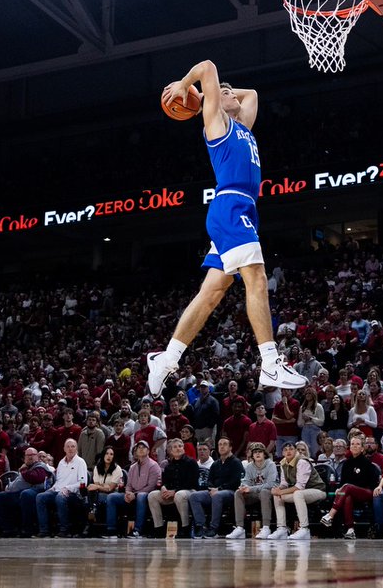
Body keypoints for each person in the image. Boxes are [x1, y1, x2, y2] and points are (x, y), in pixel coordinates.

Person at [148, 62, 307, 396]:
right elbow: (207, 67)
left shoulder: (243, 126)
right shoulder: (216, 124)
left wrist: (225, 93)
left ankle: (167, 357)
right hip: (230, 207)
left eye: (231, 92)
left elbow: (253, 94)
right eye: (224, 91)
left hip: (241, 208)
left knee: (211, 294)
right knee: (257, 279)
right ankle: (270, 363)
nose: (232, 94)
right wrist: (187, 85)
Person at [319, 436, 379, 539]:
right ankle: (350, 529)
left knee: (347, 488)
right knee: (346, 496)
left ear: (362, 448)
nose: (355, 446)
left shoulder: (367, 463)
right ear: (349, 447)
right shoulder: (346, 463)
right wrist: (339, 489)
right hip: (348, 492)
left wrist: (346, 487)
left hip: (367, 492)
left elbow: (369, 483)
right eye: (352, 444)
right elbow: (343, 482)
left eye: (358, 444)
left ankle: (330, 515)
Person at [269, 441, 326, 540]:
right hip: (300, 493)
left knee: (297, 493)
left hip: (317, 490)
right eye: (285, 450)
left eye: (291, 449)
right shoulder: (283, 463)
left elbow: (300, 486)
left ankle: (304, 528)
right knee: (277, 496)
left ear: (296, 451)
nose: (288, 452)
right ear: (282, 453)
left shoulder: (302, 462)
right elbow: (284, 483)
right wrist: (277, 489)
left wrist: (281, 492)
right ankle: (281, 528)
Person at [188, 437, 243, 538]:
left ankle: (214, 528)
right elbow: (210, 480)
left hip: (231, 492)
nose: (222, 446)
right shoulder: (216, 463)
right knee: (194, 496)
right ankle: (201, 526)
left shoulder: (236, 462)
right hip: (214, 491)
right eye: (220, 444)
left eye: (225, 444)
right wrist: (212, 488)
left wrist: (219, 489)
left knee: (217, 496)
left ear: (230, 447)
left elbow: (236, 482)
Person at [35, 438, 88, 538]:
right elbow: (59, 481)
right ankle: (44, 530)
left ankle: (64, 530)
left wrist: (67, 488)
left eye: (73, 446)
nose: (70, 449)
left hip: (74, 494)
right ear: (64, 449)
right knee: (40, 497)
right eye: (68, 446)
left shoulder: (80, 462)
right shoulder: (61, 463)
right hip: (59, 490)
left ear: (76, 449)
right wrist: (53, 488)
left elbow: (83, 483)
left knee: (60, 497)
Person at [109, 441, 162, 539]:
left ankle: (138, 530)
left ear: (148, 451)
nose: (141, 449)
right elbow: (128, 484)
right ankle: (111, 530)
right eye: (139, 447)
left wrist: (135, 494)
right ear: (135, 451)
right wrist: (128, 493)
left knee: (141, 496)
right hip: (133, 495)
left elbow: (151, 486)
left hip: (147, 495)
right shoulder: (132, 467)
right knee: (112, 497)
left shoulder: (154, 466)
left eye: (144, 447)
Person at [148, 438, 199, 537]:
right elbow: (165, 482)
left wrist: (175, 491)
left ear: (183, 449)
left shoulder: (191, 462)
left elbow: (191, 482)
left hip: (190, 491)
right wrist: (163, 488)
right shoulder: (168, 466)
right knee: (152, 495)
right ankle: (158, 528)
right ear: (171, 451)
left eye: (180, 446)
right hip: (173, 493)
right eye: (175, 447)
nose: (178, 448)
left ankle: (185, 528)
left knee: (179, 495)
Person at [227, 442, 278, 539]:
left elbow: (271, 484)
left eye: (260, 452)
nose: (257, 454)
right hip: (255, 493)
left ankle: (266, 527)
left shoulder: (271, 465)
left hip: (270, 493)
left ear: (264, 454)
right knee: (238, 493)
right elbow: (246, 481)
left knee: (264, 492)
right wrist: (243, 487)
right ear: (252, 455)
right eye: (255, 452)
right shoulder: (250, 466)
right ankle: (240, 528)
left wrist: (250, 488)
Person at [88, 446, 124, 539]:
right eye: (107, 454)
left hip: (114, 494)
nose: (109, 456)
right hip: (99, 494)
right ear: (103, 455)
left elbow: (111, 489)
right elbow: (97, 486)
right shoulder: (97, 468)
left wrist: (99, 486)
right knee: (89, 494)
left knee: (101, 497)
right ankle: (88, 525)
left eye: (111, 454)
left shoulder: (117, 469)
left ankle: (110, 529)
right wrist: (101, 487)